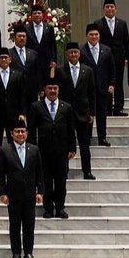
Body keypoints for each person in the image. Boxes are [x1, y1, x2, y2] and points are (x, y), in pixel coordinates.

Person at [0, 118, 43, 258]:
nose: (20, 134)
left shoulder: (34, 149)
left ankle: (28, 252)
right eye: (17, 131)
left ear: (27, 133)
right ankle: (16, 252)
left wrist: (40, 191)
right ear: (12, 133)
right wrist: (2, 193)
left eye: (23, 131)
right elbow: (0, 174)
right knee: (15, 225)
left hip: (29, 194)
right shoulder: (5, 150)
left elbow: (39, 172)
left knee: (29, 225)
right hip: (13, 194)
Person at [28, 81, 76, 219]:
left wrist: (72, 148)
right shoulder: (36, 106)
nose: (52, 91)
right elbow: (31, 130)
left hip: (62, 152)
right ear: (45, 89)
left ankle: (60, 207)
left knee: (61, 182)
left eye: (55, 88)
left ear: (59, 89)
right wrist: (32, 149)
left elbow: (71, 130)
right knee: (46, 181)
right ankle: (48, 208)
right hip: (43, 152)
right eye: (50, 88)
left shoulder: (66, 107)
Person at [57, 41, 98, 180]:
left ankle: (87, 171)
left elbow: (92, 93)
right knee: (65, 145)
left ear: (79, 54)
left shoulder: (88, 70)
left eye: (75, 52)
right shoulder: (60, 70)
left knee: (85, 145)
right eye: (70, 52)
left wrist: (92, 112)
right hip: (66, 113)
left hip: (83, 113)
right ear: (66, 54)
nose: (73, 54)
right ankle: (65, 171)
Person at [80, 23, 116, 147]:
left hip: (102, 87)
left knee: (102, 115)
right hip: (86, 88)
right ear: (87, 36)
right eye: (91, 34)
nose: (94, 37)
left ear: (99, 36)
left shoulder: (106, 50)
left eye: (96, 34)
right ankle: (87, 137)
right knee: (87, 114)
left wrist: (112, 83)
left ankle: (102, 138)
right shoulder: (81, 51)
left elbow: (112, 68)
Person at [97, 0, 129, 116]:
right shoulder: (98, 23)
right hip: (104, 58)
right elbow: (97, 41)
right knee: (105, 82)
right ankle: (107, 108)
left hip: (119, 57)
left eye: (112, 7)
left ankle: (119, 107)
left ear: (116, 9)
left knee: (118, 83)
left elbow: (126, 41)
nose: (110, 9)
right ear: (103, 9)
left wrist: (127, 57)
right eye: (107, 7)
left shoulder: (122, 23)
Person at [0, 47, 28, 146]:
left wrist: (23, 113)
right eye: (1, 57)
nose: (4, 60)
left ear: (10, 59)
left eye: (5, 57)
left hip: (13, 114)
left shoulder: (17, 75)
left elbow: (22, 95)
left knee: (13, 142)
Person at [10, 25, 44, 101]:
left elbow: (37, 71)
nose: (22, 38)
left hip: (31, 89)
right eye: (19, 36)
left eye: (24, 36)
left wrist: (40, 88)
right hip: (16, 89)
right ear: (14, 38)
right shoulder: (9, 54)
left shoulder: (33, 53)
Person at [26, 6, 58, 76]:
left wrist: (54, 60)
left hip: (46, 63)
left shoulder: (49, 28)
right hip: (31, 62)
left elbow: (53, 45)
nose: (37, 15)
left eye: (39, 13)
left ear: (42, 15)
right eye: (34, 13)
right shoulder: (26, 28)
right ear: (31, 16)